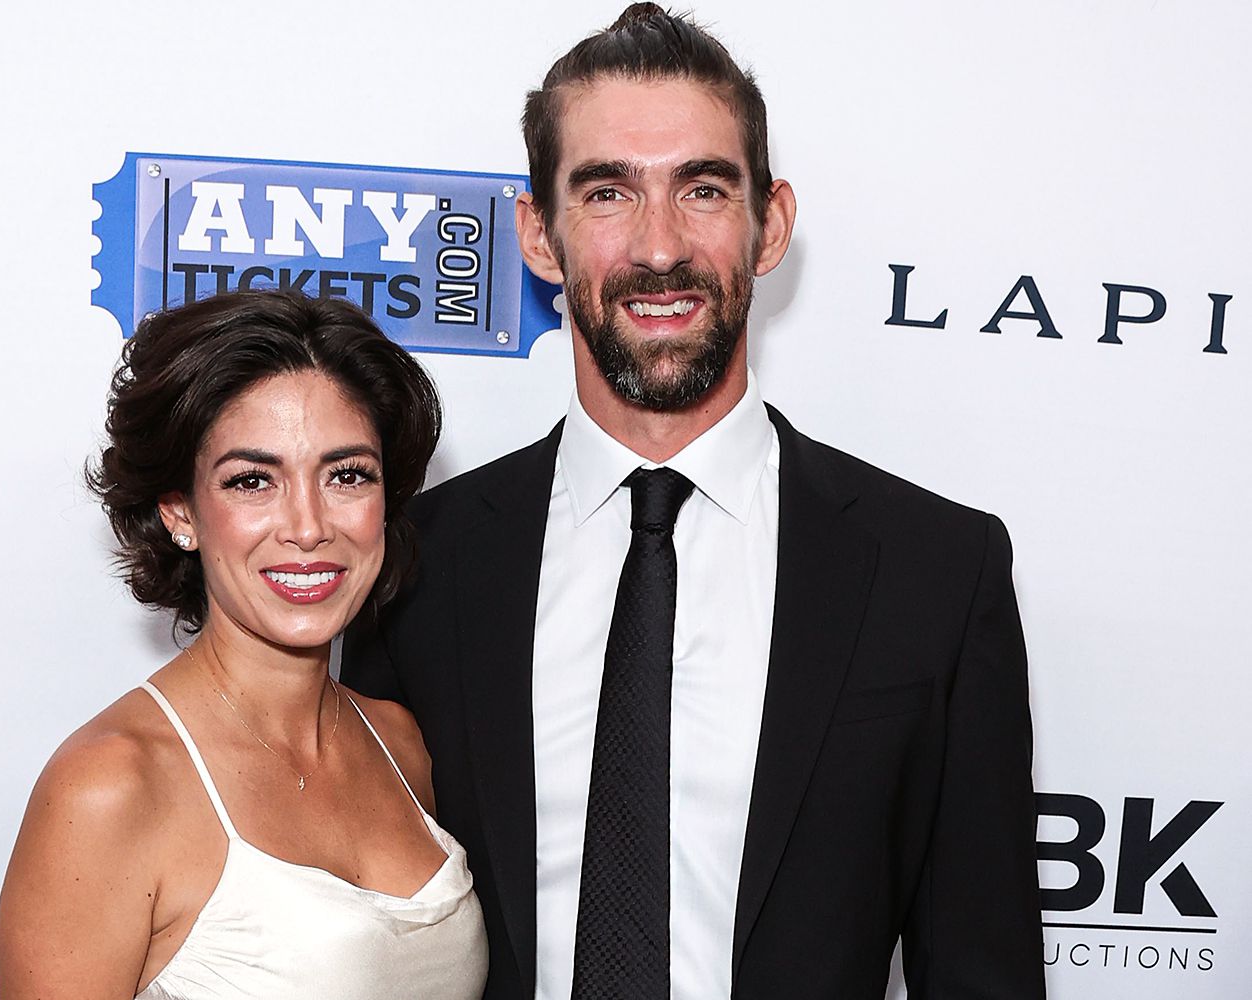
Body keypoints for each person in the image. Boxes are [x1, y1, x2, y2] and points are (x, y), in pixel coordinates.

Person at [340, 5, 1044, 999]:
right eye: (608, 193)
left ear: (772, 223)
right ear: (538, 233)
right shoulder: (417, 566)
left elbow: (983, 968)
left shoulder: (934, 569)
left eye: (703, 189)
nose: (659, 247)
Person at [0, 290, 487, 999]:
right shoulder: (110, 787)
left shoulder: (399, 741)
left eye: (347, 475)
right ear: (180, 512)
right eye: (253, 481)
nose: (308, 525)